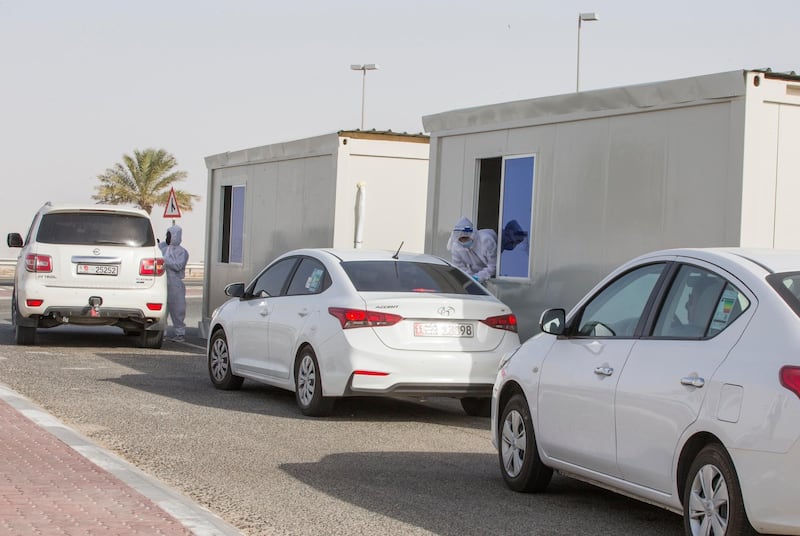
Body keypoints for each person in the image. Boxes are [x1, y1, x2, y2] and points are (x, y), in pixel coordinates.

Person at [158, 224, 189, 342]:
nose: (167, 237)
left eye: (169, 235)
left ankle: (179, 333)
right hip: (162, 281)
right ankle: (162, 333)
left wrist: (165, 261)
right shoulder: (162, 248)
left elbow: (178, 265)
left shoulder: (182, 252)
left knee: (178, 309)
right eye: (167, 234)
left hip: (175, 284)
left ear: (175, 236)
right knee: (162, 309)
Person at [447, 216, 497, 284]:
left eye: (465, 238)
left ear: (472, 235)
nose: (463, 241)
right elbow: (459, 268)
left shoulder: (486, 241)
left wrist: (479, 277)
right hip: (476, 275)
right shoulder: (456, 247)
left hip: (494, 278)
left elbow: (493, 265)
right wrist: (470, 278)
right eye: (461, 239)